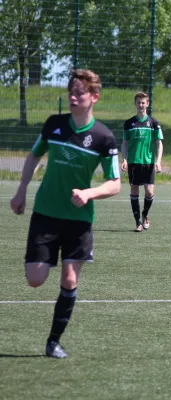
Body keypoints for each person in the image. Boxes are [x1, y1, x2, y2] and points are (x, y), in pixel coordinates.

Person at [10, 69, 121, 358]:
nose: (73, 96)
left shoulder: (103, 137)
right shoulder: (54, 125)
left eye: (79, 92)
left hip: (79, 220)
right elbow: (35, 154)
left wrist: (88, 193)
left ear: (93, 97)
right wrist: (21, 190)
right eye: (71, 91)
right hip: (46, 212)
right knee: (35, 279)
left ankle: (53, 342)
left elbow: (115, 184)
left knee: (70, 280)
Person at [121, 92, 163, 232]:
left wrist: (158, 161)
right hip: (133, 162)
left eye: (143, 102)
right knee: (134, 190)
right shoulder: (129, 123)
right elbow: (125, 143)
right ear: (135, 104)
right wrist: (125, 159)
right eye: (138, 102)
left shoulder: (153, 123)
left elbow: (159, 143)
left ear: (147, 104)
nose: (141, 105)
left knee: (150, 192)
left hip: (149, 162)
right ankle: (138, 222)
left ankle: (145, 215)